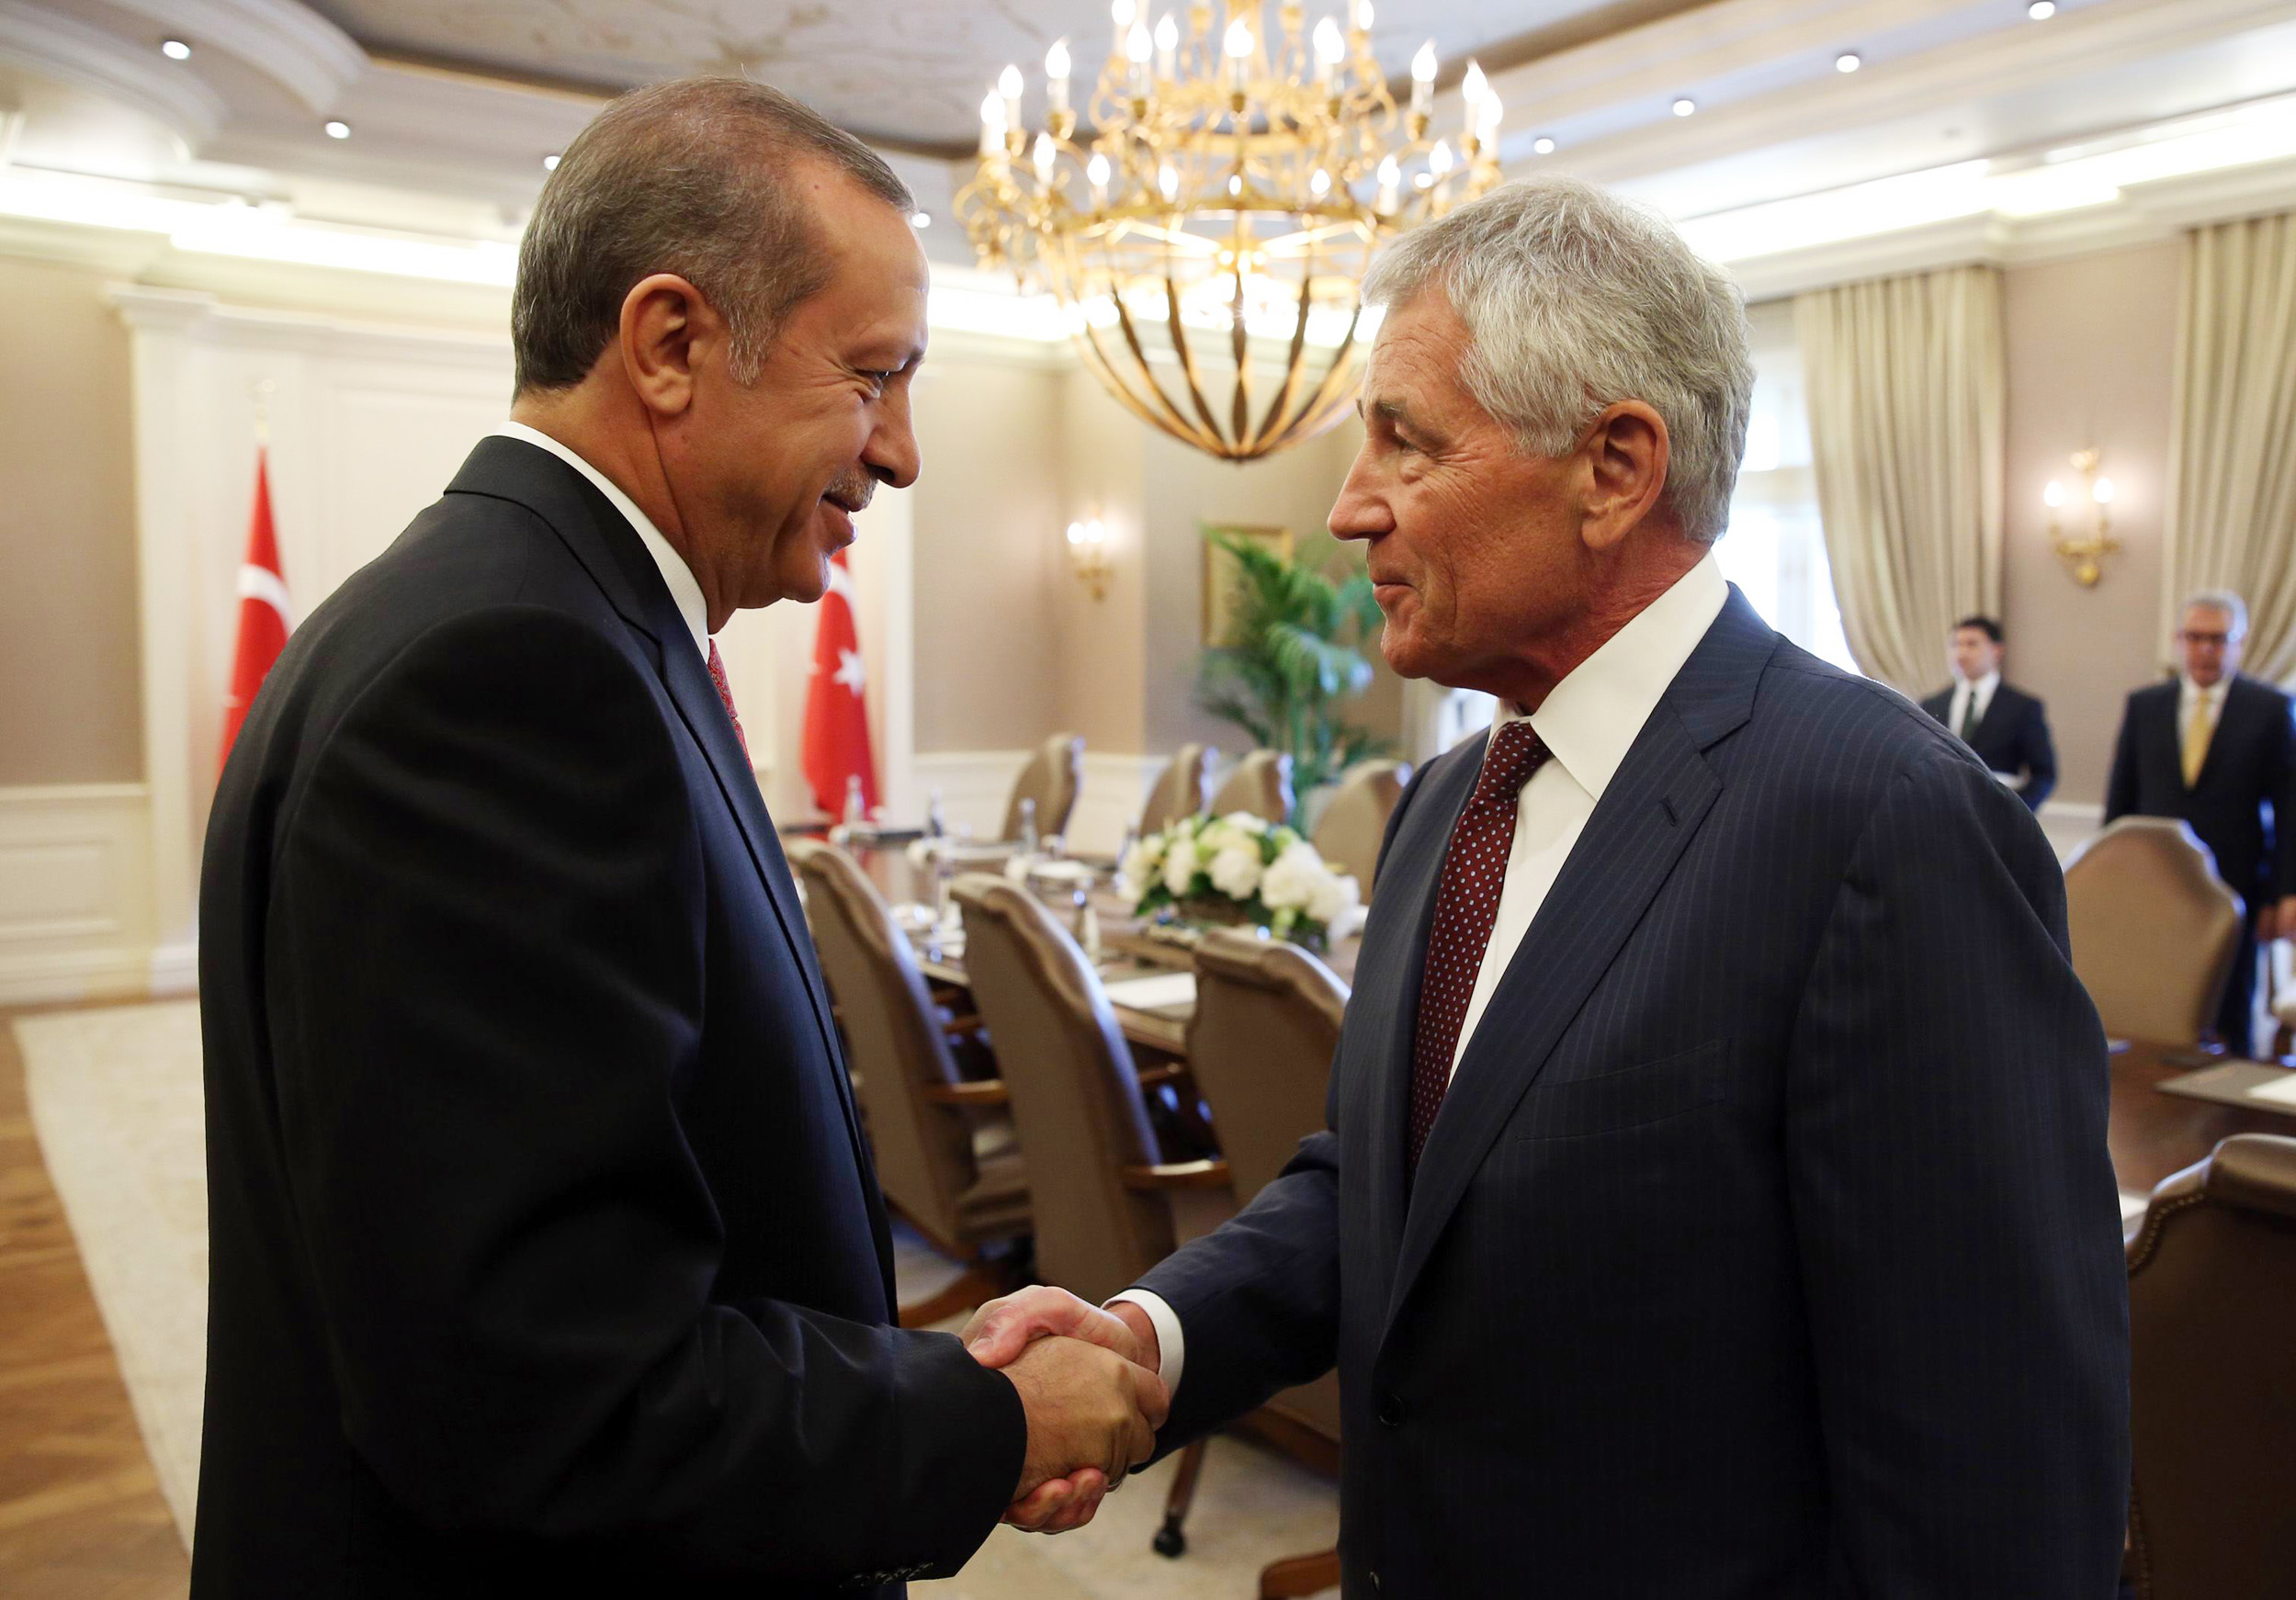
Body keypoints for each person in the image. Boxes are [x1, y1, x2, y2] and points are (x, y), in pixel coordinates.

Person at [967, 176, 2129, 1594]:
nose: (1347, 506)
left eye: (1404, 441)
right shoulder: (1448, 801)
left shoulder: (1885, 821)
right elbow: (1387, 1186)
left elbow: (1993, 1471)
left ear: (1612, 468)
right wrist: (1153, 1338)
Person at [194, 79, 1162, 1598]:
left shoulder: (538, 618)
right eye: (873, 376)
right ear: (668, 344)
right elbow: (539, 1397)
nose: (902, 452)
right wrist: (985, 1417)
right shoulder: (512, 677)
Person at [2105, 592, 2296, 1051]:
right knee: (2150, 999)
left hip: (2235, 885)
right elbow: (2121, 802)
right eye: (2194, 638)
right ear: (2179, 640)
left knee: (2231, 1006)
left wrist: (2285, 893)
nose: (2206, 649)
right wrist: (2110, 880)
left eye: (2218, 639)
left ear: (2239, 643)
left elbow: (2290, 810)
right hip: (2154, 882)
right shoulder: (2145, 705)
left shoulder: (2269, 709)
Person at [1919, 614, 2057, 810]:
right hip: (1941, 812)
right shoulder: (1931, 705)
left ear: (1996, 650)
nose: (1961, 653)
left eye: (1972, 644)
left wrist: (2016, 813)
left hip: (1999, 812)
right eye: (1956, 645)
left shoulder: (2023, 707)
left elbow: (2044, 774)